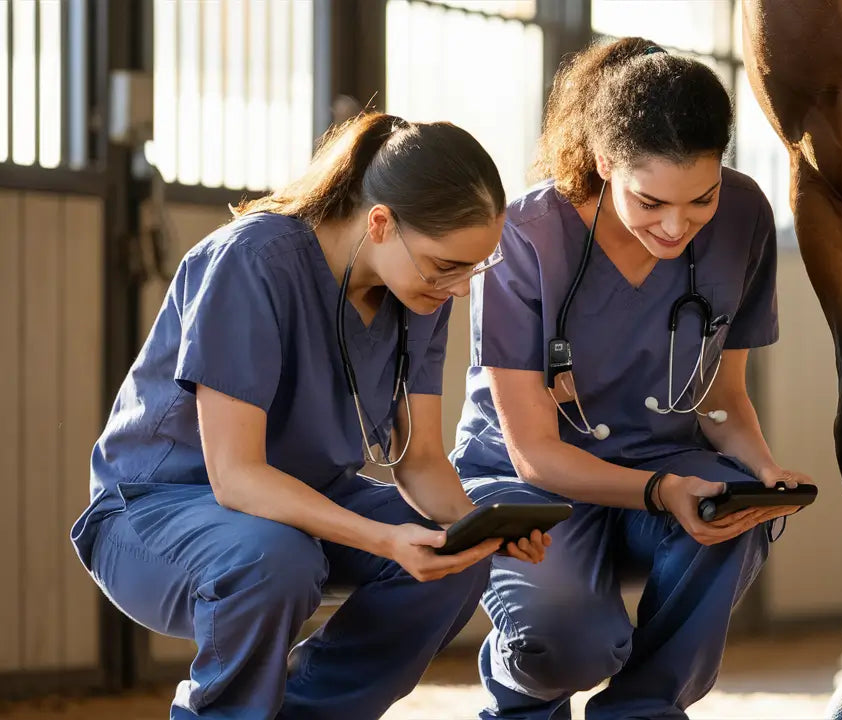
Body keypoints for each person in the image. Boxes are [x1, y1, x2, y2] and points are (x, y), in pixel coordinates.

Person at [69, 112, 551, 720]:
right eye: (446, 265)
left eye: (473, 268)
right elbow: (237, 476)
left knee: (451, 564)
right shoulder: (252, 261)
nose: (458, 288)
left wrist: (477, 532)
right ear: (381, 223)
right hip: (156, 509)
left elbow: (421, 460)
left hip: (305, 504)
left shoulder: (420, 293)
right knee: (276, 559)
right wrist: (383, 538)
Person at [451, 38, 810, 719]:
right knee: (572, 642)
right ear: (604, 161)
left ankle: (645, 710)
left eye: (699, 200)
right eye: (650, 202)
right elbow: (533, 449)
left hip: (662, 456)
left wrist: (763, 474)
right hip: (531, 479)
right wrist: (660, 490)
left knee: (733, 508)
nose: (676, 226)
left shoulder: (744, 216)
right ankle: (519, 692)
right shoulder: (525, 236)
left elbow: (721, 398)